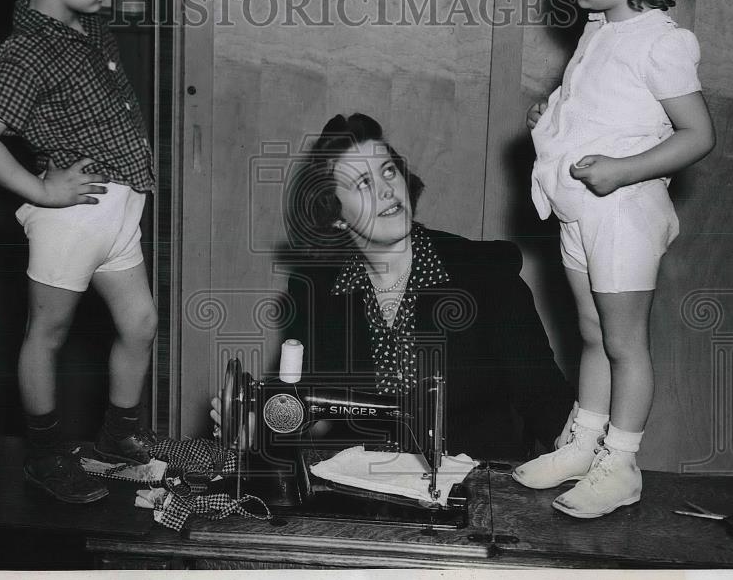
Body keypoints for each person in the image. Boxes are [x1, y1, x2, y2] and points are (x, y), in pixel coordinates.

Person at [512, 0, 715, 518]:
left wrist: (624, 170)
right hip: (581, 211)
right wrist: (557, 115)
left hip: (623, 214)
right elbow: (597, 104)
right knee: (593, 333)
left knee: (626, 343)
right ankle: (584, 441)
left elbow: (697, 135)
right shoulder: (600, 27)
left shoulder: (661, 42)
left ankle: (621, 464)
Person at [0, 0, 158, 504]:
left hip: (119, 210)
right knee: (48, 332)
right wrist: (41, 192)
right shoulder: (26, 52)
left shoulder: (83, 29)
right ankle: (45, 453)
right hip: (73, 216)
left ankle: (116, 439)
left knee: (141, 323)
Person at [237, 112, 577, 462]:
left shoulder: (484, 274)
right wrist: (257, 422)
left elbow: (543, 397)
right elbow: (300, 393)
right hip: (365, 490)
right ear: (336, 214)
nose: (387, 188)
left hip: (474, 490)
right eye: (363, 184)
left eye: (388, 171)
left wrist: (580, 446)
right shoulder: (319, 290)